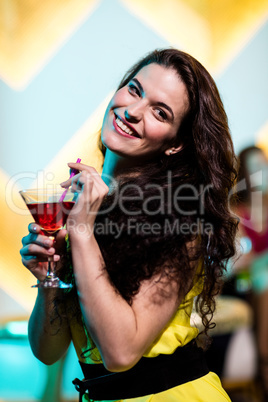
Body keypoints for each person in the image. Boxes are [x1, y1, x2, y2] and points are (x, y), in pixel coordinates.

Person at [20, 49, 238, 401]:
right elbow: (48, 352)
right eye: (134, 90)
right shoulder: (87, 209)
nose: (133, 112)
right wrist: (50, 278)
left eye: (159, 112)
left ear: (176, 142)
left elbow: (120, 353)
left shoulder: (182, 222)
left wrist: (81, 231)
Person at [231, 145, 268, 398]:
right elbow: (241, 260)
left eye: (264, 165)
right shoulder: (236, 212)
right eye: (256, 167)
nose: (262, 172)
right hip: (248, 283)